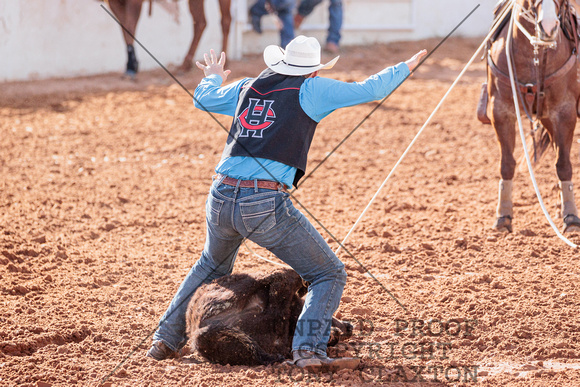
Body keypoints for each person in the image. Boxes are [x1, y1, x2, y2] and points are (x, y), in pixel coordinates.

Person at [147, 35, 427, 370]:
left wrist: (214, 75)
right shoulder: (311, 89)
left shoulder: (248, 87)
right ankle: (308, 350)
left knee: (210, 265)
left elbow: (203, 99)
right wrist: (406, 66)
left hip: (220, 196)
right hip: (263, 201)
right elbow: (369, 89)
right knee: (328, 274)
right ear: (312, 71)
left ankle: (165, 340)